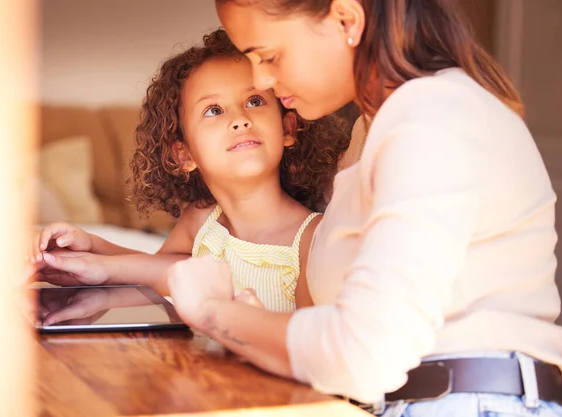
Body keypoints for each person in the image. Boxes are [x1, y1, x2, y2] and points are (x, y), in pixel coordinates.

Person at [164, 1, 562, 416]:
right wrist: (259, 326)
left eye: (268, 56)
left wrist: (214, 313)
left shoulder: (431, 117)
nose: (262, 79)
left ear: (347, 19)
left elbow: (366, 352)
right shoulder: (371, 130)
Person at [29, 29, 349, 312]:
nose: (239, 119)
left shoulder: (311, 238)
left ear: (288, 127)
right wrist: (90, 247)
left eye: (254, 101)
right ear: (184, 155)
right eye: (214, 110)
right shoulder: (200, 220)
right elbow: (159, 271)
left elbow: (308, 344)